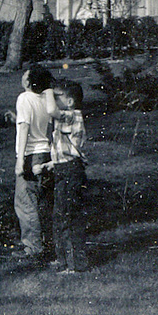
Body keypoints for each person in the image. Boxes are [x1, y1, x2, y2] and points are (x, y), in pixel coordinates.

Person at [38, 79, 90, 273]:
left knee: (68, 216)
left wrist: (48, 90)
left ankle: (76, 264)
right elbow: (66, 149)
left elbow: (51, 110)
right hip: (64, 169)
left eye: (58, 96)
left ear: (69, 102)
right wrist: (50, 164)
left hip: (70, 171)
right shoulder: (65, 118)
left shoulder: (72, 116)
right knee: (60, 216)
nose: (52, 99)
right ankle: (63, 260)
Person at [9, 65, 54, 261]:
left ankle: (32, 247)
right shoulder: (45, 99)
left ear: (28, 82)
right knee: (43, 200)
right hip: (45, 153)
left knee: (25, 202)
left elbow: (26, 129)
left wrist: (20, 161)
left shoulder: (24, 98)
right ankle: (50, 241)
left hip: (30, 155)